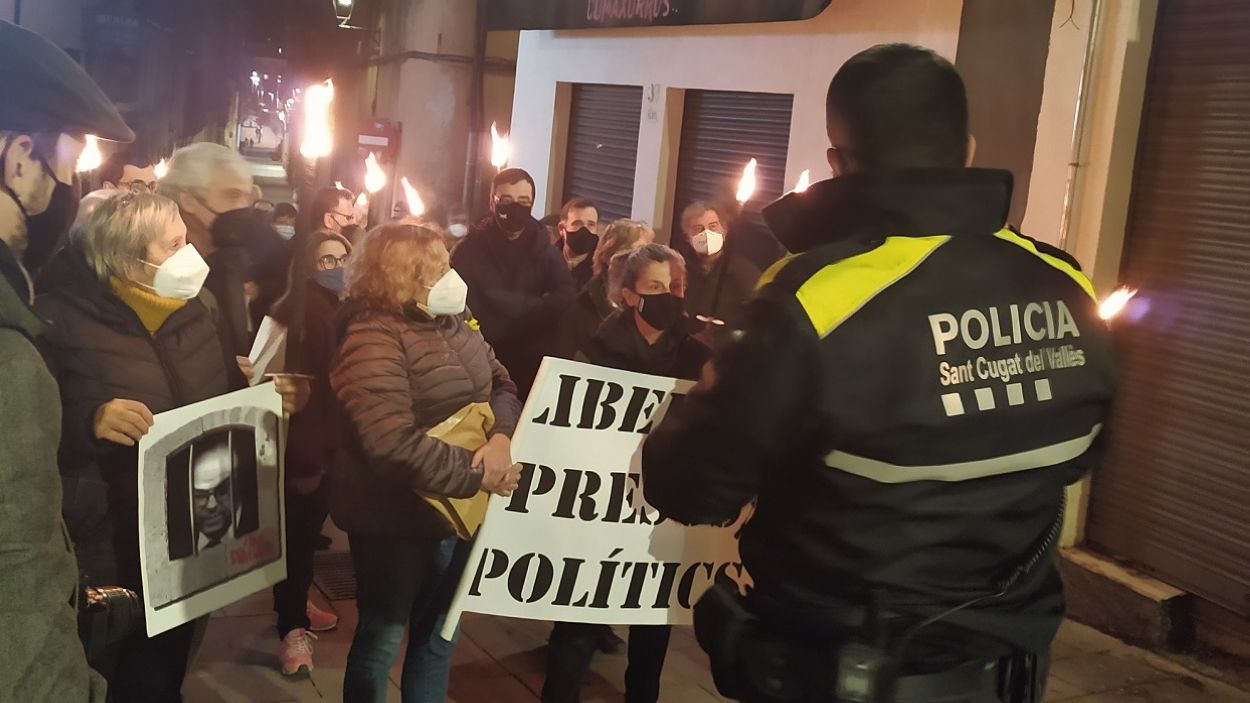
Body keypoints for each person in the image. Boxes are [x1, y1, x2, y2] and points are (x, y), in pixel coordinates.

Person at [641, 44, 1115, 703]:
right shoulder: (1065, 283)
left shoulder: (814, 296)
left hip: (838, 670)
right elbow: (1082, 449)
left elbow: (688, 482)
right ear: (968, 148)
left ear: (837, 161)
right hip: (1005, 672)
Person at [331, 223, 524, 702]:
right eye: (437, 267)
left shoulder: (454, 320)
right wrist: (477, 474)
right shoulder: (370, 335)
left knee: (440, 637)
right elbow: (389, 441)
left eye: (447, 263)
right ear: (400, 276)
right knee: (382, 638)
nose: (450, 275)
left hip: (461, 509)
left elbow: (502, 383)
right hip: (396, 517)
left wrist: (500, 438)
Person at [0, 19, 127, 701]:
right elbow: (17, 591)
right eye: (67, 165)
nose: (68, 190)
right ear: (19, 158)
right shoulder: (7, 355)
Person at [543, 243, 708, 703]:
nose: (668, 296)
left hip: (661, 509)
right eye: (655, 287)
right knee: (579, 620)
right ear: (630, 296)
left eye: (674, 287)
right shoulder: (596, 351)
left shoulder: (696, 358)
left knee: (652, 623)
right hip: (601, 506)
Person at [266, 230, 352, 676]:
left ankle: (297, 604)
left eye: (341, 257)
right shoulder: (298, 315)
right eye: (325, 260)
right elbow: (289, 390)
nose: (335, 267)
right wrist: (305, 455)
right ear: (305, 267)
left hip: (328, 443)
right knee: (295, 543)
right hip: (304, 450)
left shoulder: (337, 309)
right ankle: (291, 627)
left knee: (304, 537)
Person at [451, 168, 574, 399]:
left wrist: (522, 308)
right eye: (506, 200)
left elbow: (565, 296)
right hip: (481, 358)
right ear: (492, 202)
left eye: (523, 201)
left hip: (531, 361)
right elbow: (462, 302)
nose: (515, 207)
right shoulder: (468, 250)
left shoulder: (545, 250)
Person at [158, 142, 274, 357]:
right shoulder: (157, 269)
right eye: (232, 196)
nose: (242, 208)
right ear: (189, 200)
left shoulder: (234, 260)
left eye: (246, 198)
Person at [554, 218, 653, 360]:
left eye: (646, 252)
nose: (640, 260)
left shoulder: (654, 305)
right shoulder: (580, 309)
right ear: (608, 255)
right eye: (632, 251)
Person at [674, 200, 762, 337]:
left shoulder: (744, 272)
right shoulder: (677, 269)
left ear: (724, 231)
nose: (707, 233)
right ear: (687, 236)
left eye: (713, 226)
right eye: (698, 228)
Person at [557, 197, 600, 291]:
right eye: (577, 224)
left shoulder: (600, 272)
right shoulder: (545, 259)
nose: (585, 230)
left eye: (591, 225)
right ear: (561, 229)